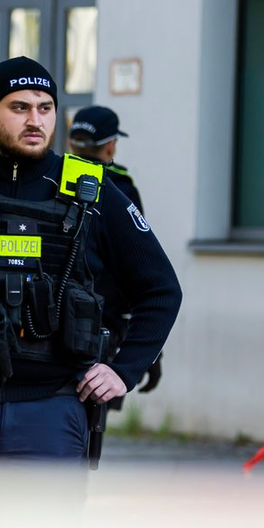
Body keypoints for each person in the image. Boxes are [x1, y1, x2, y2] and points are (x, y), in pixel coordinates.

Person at [0, 57, 181, 461]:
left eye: (45, 108)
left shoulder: (91, 190)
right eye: (19, 107)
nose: (34, 120)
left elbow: (161, 290)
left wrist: (124, 370)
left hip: (53, 413)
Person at [67, 104, 162, 400]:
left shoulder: (49, 182)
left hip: (52, 322)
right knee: (93, 412)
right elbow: (140, 269)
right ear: (110, 146)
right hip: (102, 325)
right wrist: (151, 351)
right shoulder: (118, 189)